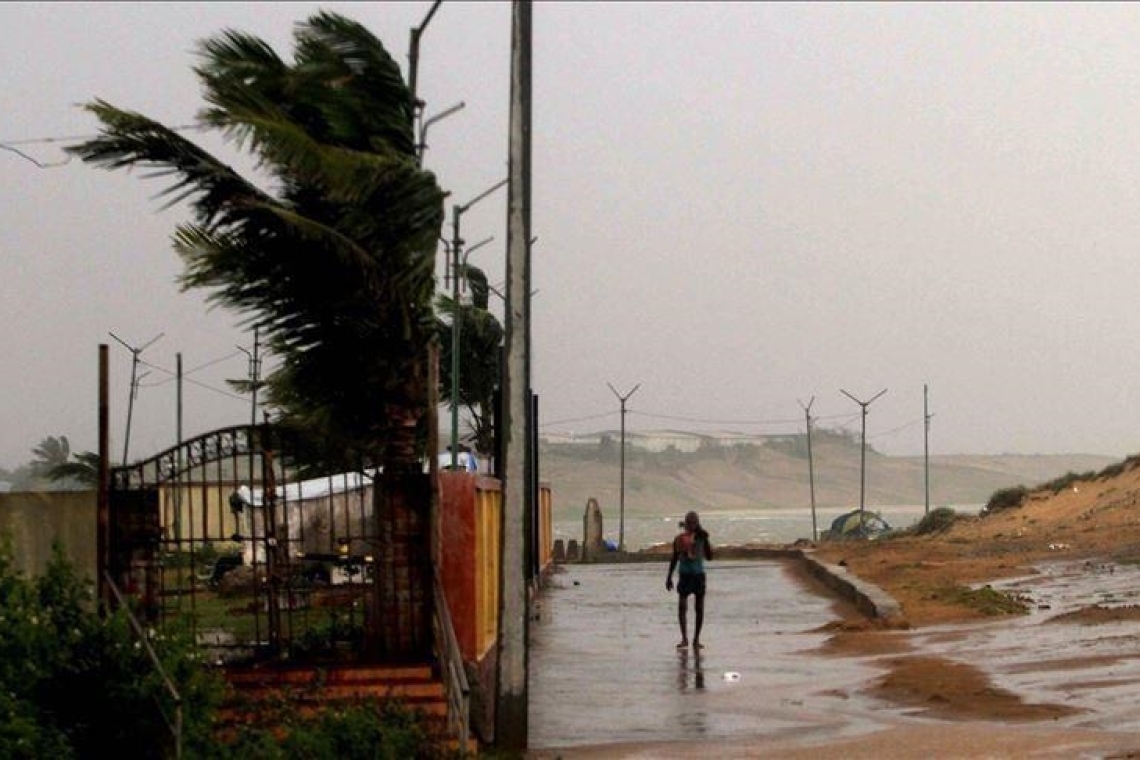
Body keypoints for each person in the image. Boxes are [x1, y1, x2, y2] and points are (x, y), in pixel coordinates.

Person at [665, 510, 713, 649]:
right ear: (685, 523)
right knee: (682, 607)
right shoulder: (679, 539)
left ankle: (696, 639)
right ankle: (684, 638)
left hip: (698, 575)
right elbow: (674, 558)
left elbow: (710, 557)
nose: (691, 525)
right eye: (689, 522)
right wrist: (669, 577)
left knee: (699, 608)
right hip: (685, 575)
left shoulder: (701, 538)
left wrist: (705, 540)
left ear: (697, 523)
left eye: (694, 522)